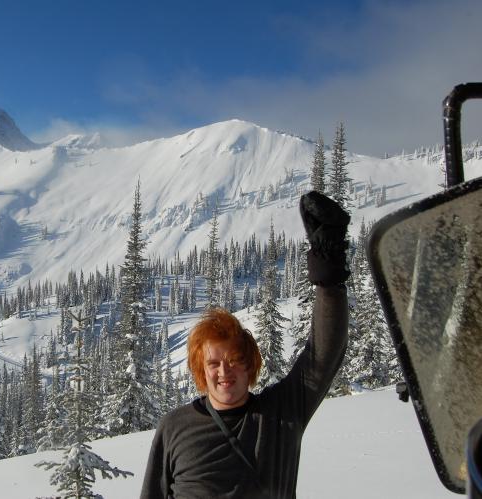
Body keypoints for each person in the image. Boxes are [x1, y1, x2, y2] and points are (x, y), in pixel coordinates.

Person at [140, 191, 350, 499]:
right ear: (201, 369)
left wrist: (328, 271)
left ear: (250, 363)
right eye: (213, 363)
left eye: (234, 359)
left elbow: (324, 355)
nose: (224, 371)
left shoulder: (281, 414)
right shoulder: (174, 428)